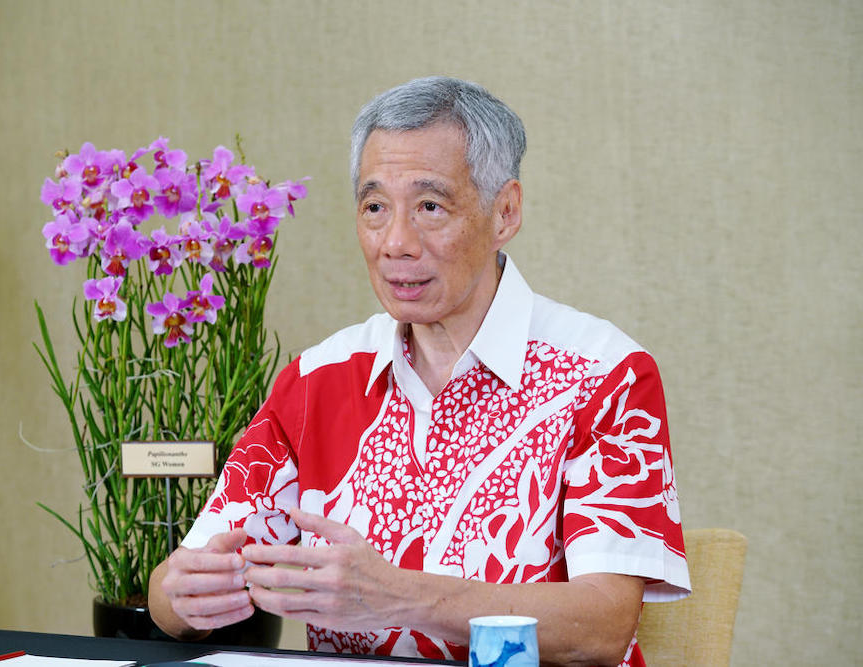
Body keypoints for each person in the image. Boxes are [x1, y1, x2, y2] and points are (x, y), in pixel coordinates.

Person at [149, 76, 690, 666]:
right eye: (375, 208)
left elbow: (603, 625)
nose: (396, 243)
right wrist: (183, 598)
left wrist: (398, 597)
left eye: (430, 207)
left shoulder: (604, 373)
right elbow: (173, 593)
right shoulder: (317, 379)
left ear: (504, 212)